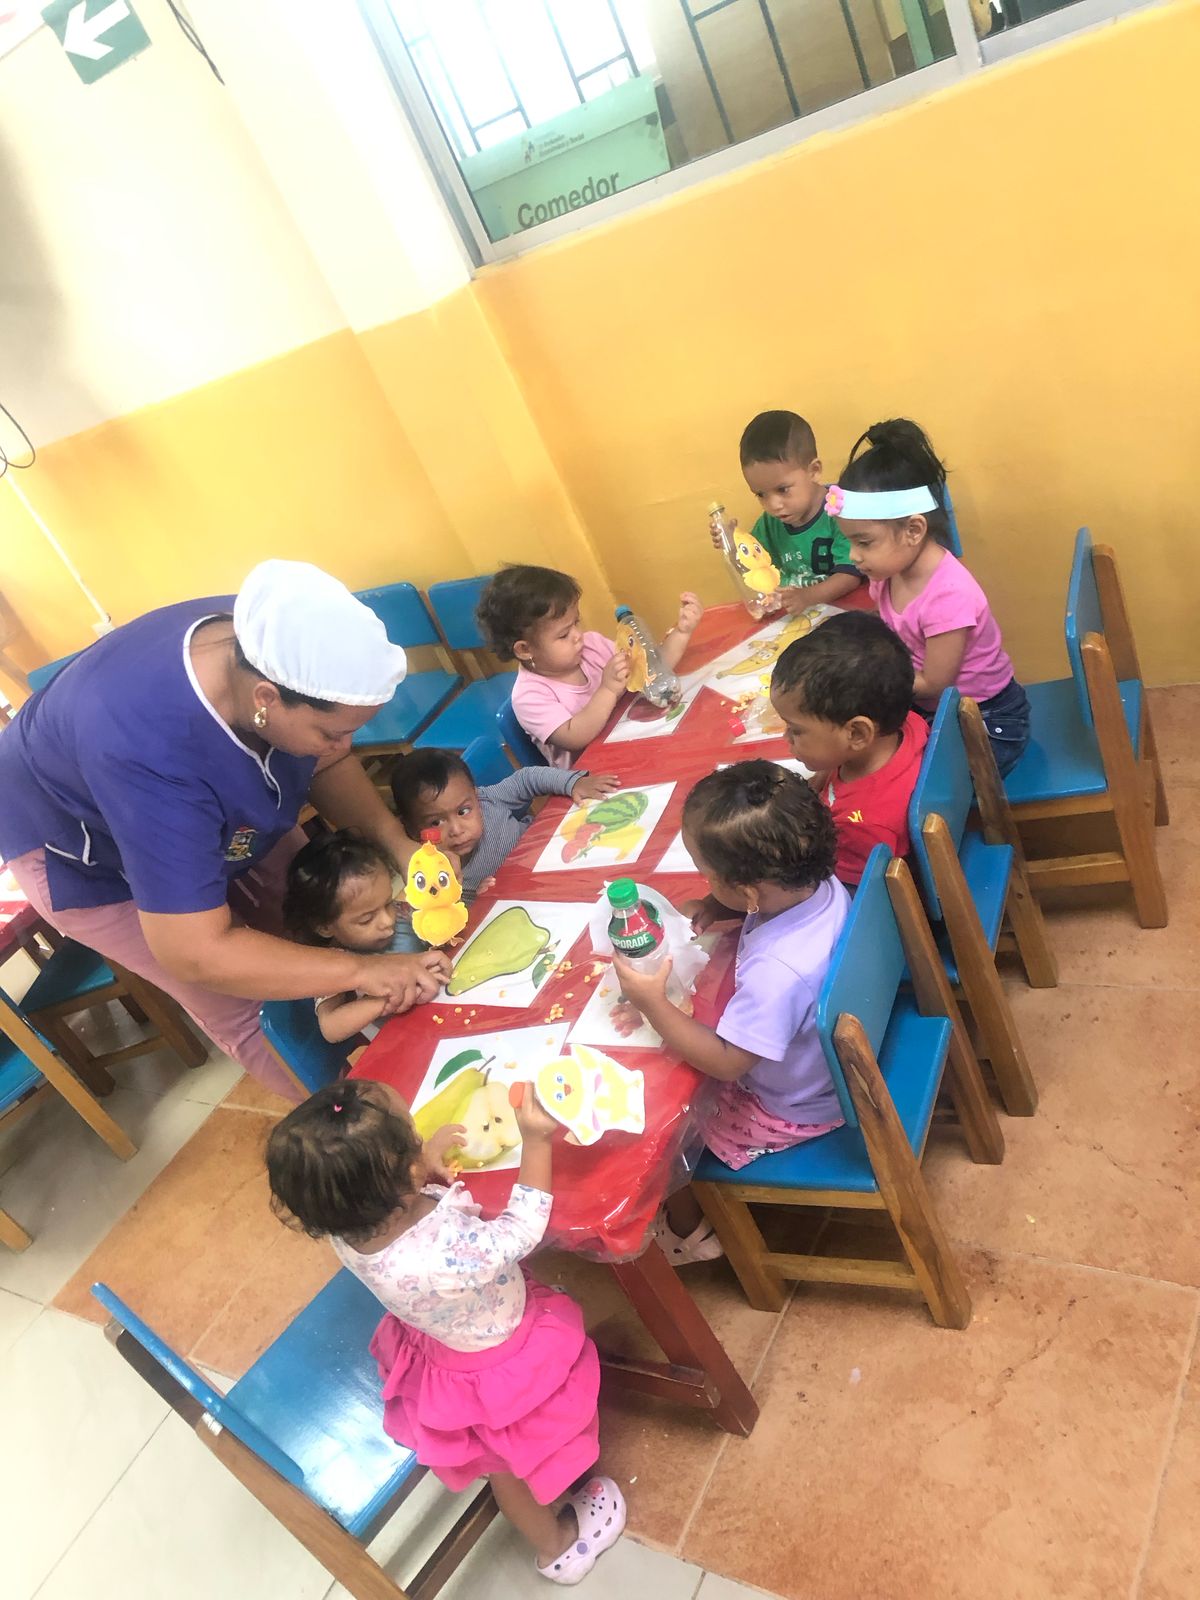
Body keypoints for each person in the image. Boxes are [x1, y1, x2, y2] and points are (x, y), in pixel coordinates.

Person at [0, 561, 448, 1098]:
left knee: (312, 914)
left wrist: (396, 843)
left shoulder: (276, 636)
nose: (343, 746)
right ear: (266, 699)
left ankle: (402, 1056)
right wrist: (357, 973)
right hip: (80, 850)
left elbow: (327, 759)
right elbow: (197, 951)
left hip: (175, 786)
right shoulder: (150, 749)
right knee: (253, 1002)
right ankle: (360, 1124)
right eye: (332, 732)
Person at [266, 1077, 626, 1585]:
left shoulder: (346, 1227)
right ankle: (558, 1548)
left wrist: (419, 1173)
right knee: (511, 1466)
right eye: (414, 1141)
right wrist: (536, 1140)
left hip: (443, 1341)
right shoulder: (445, 1250)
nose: (422, 1142)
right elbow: (520, 1231)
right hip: (497, 1355)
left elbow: (384, 1204)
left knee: (505, 1461)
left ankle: (550, 1522)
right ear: (400, 1176)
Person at [613, 762, 850, 1264]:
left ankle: (689, 1231)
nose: (704, 880)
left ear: (749, 892)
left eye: (708, 875)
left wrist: (652, 1003)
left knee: (658, 1128)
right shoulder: (817, 882)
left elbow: (726, 1062)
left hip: (795, 1108)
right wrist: (719, 905)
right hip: (822, 1065)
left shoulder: (777, 973)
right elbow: (764, 905)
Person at [828, 419, 1031, 775]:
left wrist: (867, 678)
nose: (853, 556)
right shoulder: (888, 574)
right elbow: (891, 629)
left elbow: (934, 683)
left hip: (986, 719)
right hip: (931, 707)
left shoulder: (948, 597)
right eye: (850, 541)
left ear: (913, 529)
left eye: (864, 542)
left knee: (905, 781)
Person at [476, 565, 702, 767]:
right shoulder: (529, 696)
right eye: (564, 634)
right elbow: (575, 736)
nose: (578, 635)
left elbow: (651, 670)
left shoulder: (592, 645)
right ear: (525, 649)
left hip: (636, 742)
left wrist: (682, 632)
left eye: (576, 622)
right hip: (595, 774)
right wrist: (608, 689)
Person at [770, 612, 929, 889]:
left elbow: (859, 894)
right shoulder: (906, 725)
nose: (786, 737)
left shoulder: (861, 825)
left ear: (856, 734)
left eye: (795, 730)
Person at [390, 747, 621, 902]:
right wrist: (477, 901)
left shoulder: (487, 800)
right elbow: (452, 921)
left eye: (463, 811)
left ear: (475, 796)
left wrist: (572, 783)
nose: (457, 830)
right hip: (534, 899)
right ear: (411, 830)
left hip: (559, 859)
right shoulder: (433, 874)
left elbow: (527, 779)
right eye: (436, 822)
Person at [283, 830, 431, 1044]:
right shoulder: (332, 963)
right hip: (407, 1042)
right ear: (324, 927)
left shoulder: (402, 913)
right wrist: (385, 999)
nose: (387, 920)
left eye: (388, 903)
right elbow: (330, 1027)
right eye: (366, 919)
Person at [728, 410, 865, 613]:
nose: (773, 505)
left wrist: (807, 596)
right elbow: (754, 566)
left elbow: (850, 576)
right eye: (761, 494)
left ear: (814, 471)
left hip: (847, 612)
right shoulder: (770, 523)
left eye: (783, 489)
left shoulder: (839, 510)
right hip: (800, 617)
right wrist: (732, 544)